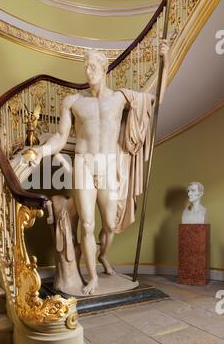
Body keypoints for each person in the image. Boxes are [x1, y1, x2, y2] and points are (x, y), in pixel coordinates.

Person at [31, 42, 170, 295]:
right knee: (86, 224)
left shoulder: (120, 98)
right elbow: (62, 137)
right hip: (84, 163)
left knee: (110, 224)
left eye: (94, 65)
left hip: (108, 165)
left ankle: (103, 254)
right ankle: (92, 276)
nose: (89, 70)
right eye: (86, 66)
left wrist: (165, 61)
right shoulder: (73, 101)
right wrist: (42, 150)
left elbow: (157, 100)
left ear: (104, 68)